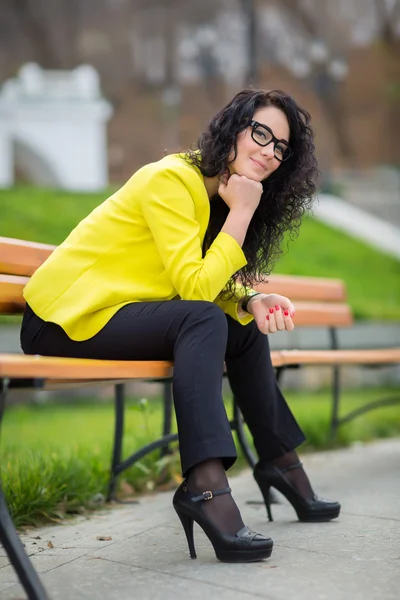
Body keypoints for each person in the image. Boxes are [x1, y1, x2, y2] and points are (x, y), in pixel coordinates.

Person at [20, 88, 340, 564]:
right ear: (233, 128)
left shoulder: (215, 193)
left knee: (240, 327)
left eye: (281, 147)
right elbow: (193, 291)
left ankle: (278, 462)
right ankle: (206, 486)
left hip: (118, 310)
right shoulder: (172, 180)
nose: (269, 151)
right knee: (204, 317)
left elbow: (200, 280)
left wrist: (251, 299)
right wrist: (243, 212)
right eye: (261, 133)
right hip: (63, 317)